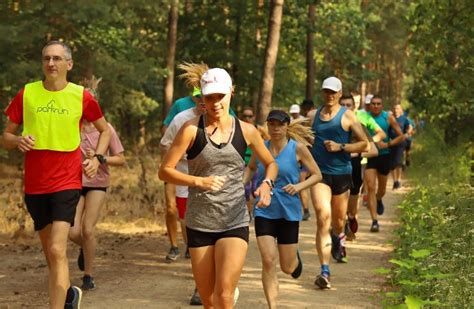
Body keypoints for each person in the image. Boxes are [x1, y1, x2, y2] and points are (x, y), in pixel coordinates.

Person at [2, 41, 111, 308]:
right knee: (51, 255)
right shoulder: (27, 93)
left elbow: (104, 130)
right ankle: (68, 296)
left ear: (69, 64)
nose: (51, 64)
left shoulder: (81, 96)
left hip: (67, 181)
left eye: (57, 59)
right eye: (47, 59)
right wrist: (17, 142)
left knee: (56, 249)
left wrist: (97, 159)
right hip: (35, 184)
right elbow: (5, 136)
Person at [159, 68, 278, 308]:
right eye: (209, 97)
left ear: (231, 93)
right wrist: (198, 181)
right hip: (200, 222)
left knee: (223, 295)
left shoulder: (247, 130)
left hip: (234, 221)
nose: (215, 103)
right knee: (208, 301)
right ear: (202, 97)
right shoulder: (191, 130)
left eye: (220, 96)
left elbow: (271, 163)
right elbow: (165, 170)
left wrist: (267, 183)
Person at [245, 110, 322, 307]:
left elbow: (316, 175)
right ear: (267, 126)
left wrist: (298, 187)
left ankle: (294, 257)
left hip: (288, 210)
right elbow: (252, 167)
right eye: (272, 124)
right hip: (264, 209)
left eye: (279, 124)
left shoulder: (298, 149)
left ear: (287, 126)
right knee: (269, 260)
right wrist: (242, 184)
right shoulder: (261, 147)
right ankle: (273, 306)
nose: (276, 128)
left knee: (287, 268)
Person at [309, 77, 369, 289]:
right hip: (319, 174)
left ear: (339, 92)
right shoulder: (312, 115)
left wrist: (340, 147)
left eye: (333, 92)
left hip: (342, 174)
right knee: (322, 217)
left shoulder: (348, 116)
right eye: (326, 91)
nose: (330, 95)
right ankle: (324, 270)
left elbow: (365, 144)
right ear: (322, 92)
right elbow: (301, 138)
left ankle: (338, 236)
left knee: (337, 221)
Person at [68, 118, 125, 290]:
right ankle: (87, 248)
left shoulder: (106, 128)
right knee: (72, 231)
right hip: (73, 183)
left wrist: (100, 158)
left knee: (87, 229)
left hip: (97, 183)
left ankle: (88, 275)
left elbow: (120, 159)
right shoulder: (72, 125)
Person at [338, 95, 386, 240]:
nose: (346, 108)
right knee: (334, 208)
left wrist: (351, 152)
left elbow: (373, 151)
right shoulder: (331, 126)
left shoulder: (360, 127)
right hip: (334, 171)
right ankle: (338, 237)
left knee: (350, 209)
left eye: (349, 105)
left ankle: (350, 219)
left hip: (354, 171)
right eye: (343, 105)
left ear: (354, 108)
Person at [365, 96, 405, 232]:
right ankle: (374, 221)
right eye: (373, 104)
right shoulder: (365, 117)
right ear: (369, 105)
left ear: (382, 106)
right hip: (369, 156)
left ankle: (379, 198)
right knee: (370, 186)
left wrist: (387, 144)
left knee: (381, 189)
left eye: (378, 104)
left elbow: (401, 135)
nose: (375, 106)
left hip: (384, 155)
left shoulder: (388, 118)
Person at [389, 104, 411, 189]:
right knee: (392, 164)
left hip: (400, 143)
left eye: (397, 108)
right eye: (394, 108)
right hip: (391, 143)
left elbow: (409, 127)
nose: (396, 110)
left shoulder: (404, 119)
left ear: (401, 110)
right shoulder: (390, 118)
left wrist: (407, 133)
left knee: (398, 162)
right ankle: (394, 181)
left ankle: (398, 180)